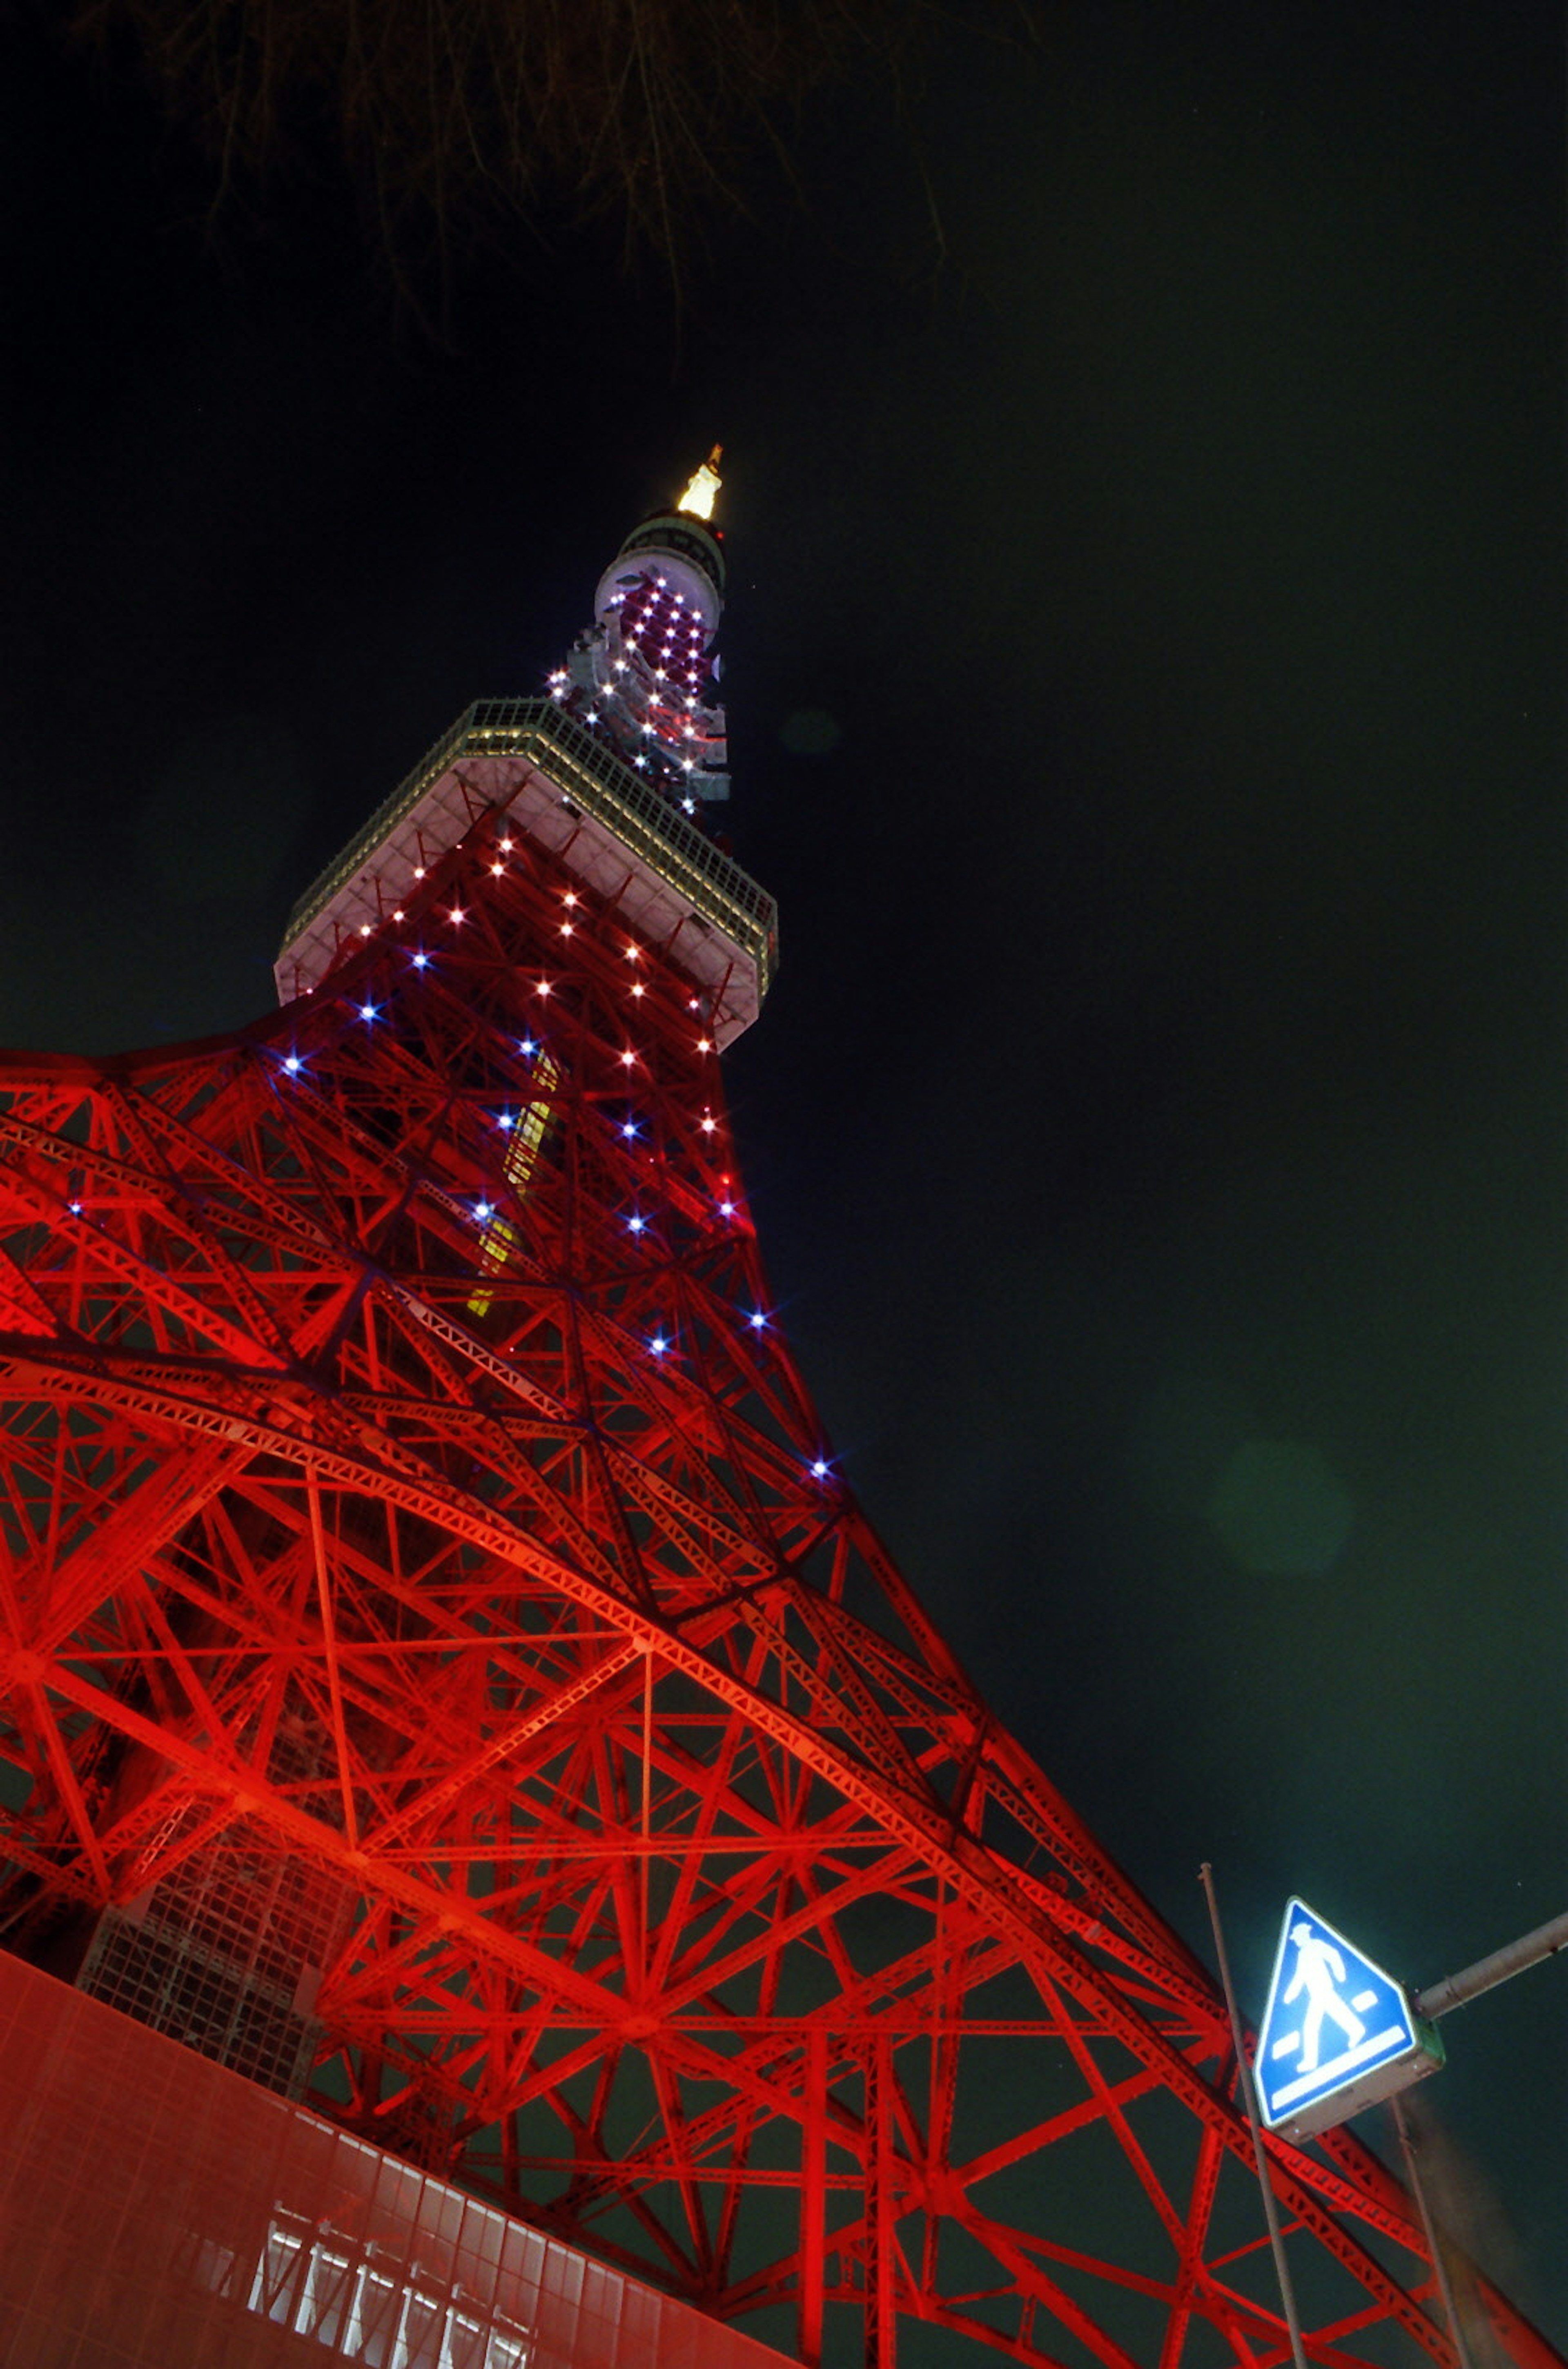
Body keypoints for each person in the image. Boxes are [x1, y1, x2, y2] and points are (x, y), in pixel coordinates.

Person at [1283, 1921, 1365, 2070]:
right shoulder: (1302, 1954)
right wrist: (1290, 1995)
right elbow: (1300, 1976)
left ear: (1304, 1935)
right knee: (1336, 2013)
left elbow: (1333, 1955)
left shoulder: (1316, 1945)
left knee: (1311, 2026)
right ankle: (1357, 2030)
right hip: (1317, 1993)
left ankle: (1311, 2061)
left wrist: (1340, 1974)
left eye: (1297, 1938)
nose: (1296, 1941)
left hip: (1323, 1989)